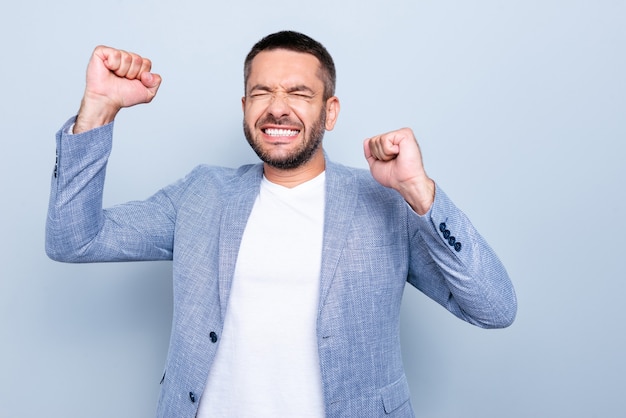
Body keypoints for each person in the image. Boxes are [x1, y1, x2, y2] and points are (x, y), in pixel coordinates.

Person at [46, 31, 517, 418]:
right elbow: (74, 240)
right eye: (262, 92)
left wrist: (419, 191)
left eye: (299, 93)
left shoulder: (386, 204)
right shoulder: (200, 194)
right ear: (246, 106)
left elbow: (494, 308)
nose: (277, 107)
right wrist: (98, 112)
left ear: (329, 111)